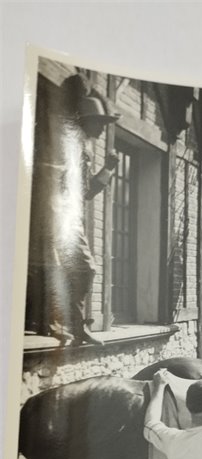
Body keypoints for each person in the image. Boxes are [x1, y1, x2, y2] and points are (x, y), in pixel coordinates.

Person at [27, 81, 120, 346]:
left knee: (82, 270)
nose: (103, 130)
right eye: (99, 123)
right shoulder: (62, 140)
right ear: (85, 120)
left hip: (68, 218)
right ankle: (57, 326)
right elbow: (46, 179)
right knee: (57, 269)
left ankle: (75, 327)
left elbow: (86, 192)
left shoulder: (83, 147)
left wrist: (109, 168)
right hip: (54, 217)